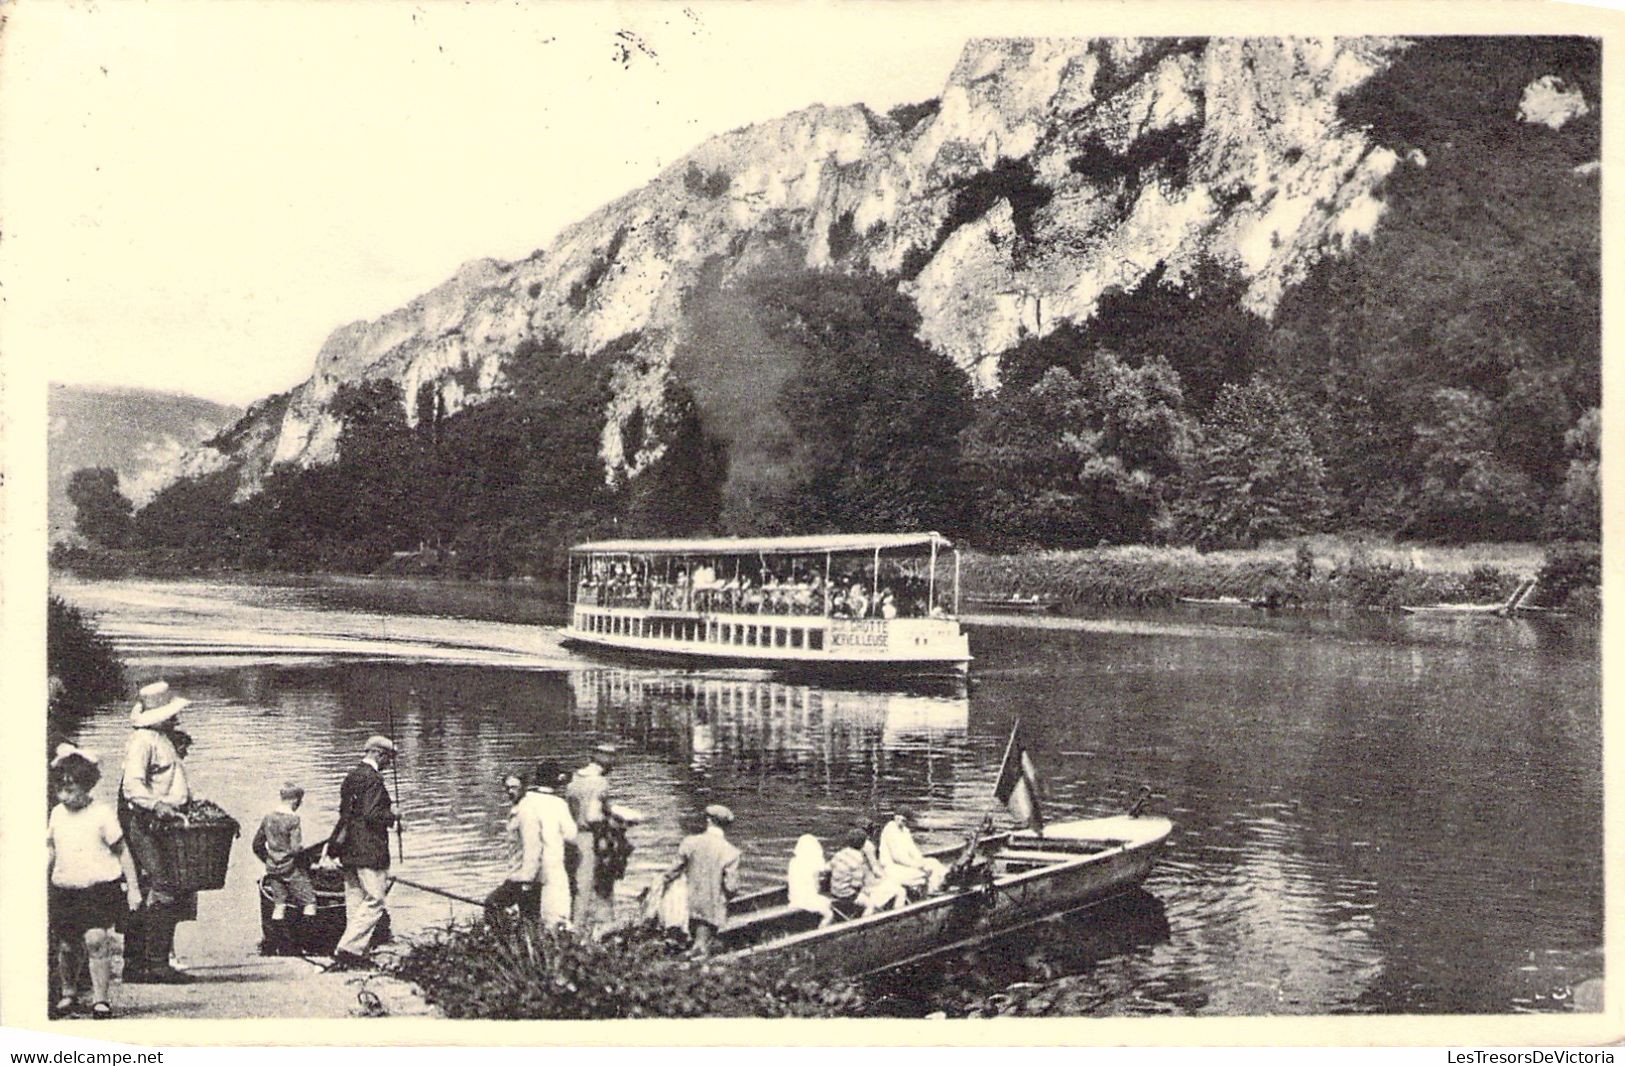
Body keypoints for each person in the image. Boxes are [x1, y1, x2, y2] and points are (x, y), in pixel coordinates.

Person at [48, 746, 142, 1019]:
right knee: (67, 945)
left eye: (71, 789)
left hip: (99, 888)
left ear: (87, 786)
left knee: (96, 939)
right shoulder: (57, 814)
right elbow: (50, 849)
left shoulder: (101, 814)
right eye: (60, 789)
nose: (64, 795)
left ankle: (100, 1000)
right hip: (65, 888)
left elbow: (122, 852)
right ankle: (68, 994)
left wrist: (133, 888)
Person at [118, 680, 197, 984]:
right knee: (163, 886)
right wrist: (157, 806)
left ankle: (138, 964)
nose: (176, 718)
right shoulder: (144, 741)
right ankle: (155, 964)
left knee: (158, 886)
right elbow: (133, 786)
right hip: (146, 820)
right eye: (171, 713)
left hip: (162, 821)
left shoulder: (160, 738)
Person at [327, 735, 399, 971]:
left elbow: (346, 813)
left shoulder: (351, 776)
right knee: (376, 899)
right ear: (379, 754)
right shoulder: (373, 779)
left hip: (348, 848)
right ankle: (349, 949)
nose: (389, 763)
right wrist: (393, 815)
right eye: (389, 758)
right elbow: (371, 815)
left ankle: (357, 953)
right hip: (370, 849)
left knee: (356, 901)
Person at [663, 804, 740, 957]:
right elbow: (731, 888)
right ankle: (700, 949)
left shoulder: (689, 842)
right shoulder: (731, 852)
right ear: (726, 826)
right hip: (711, 910)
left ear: (708, 821)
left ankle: (687, 947)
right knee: (704, 943)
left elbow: (671, 873)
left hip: (687, 905)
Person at [253, 783, 318, 935]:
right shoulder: (293, 820)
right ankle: (304, 939)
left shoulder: (268, 818)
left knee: (279, 904)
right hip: (290, 869)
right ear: (295, 800)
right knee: (310, 903)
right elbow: (295, 849)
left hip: (272, 868)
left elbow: (257, 845)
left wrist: (269, 860)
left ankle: (278, 942)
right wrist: (307, 858)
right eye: (299, 802)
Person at [565, 744, 617, 933]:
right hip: (592, 837)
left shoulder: (574, 779)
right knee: (599, 884)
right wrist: (612, 821)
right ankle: (596, 932)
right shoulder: (599, 782)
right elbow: (593, 816)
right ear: (608, 761)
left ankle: (574, 928)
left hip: (573, 837)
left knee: (577, 886)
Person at [483, 773, 542, 923]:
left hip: (525, 877)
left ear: (523, 788)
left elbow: (532, 847)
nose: (510, 791)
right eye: (508, 788)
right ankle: (525, 942)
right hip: (520, 874)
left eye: (514, 788)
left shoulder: (526, 813)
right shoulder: (518, 809)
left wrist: (527, 880)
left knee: (492, 903)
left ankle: (502, 942)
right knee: (529, 918)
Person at [879, 806, 948, 896]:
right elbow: (897, 857)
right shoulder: (890, 829)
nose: (899, 822)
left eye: (903, 820)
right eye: (898, 818)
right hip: (892, 867)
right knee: (925, 873)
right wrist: (917, 865)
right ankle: (931, 894)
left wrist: (921, 861)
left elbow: (913, 850)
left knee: (933, 862)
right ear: (894, 817)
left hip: (906, 864)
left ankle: (948, 879)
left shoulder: (905, 831)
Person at [785, 834, 833, 927]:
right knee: (829, 914)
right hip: (806, 899)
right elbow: (825, 868)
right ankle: (821, 932)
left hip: (794, 897)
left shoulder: (793, 862)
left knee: (827, 902)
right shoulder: (812, 863)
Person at [824, 828, 871, 921]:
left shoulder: (840, 854)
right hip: (846, 895)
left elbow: (827, 868)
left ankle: (854, 914)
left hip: (834, 891)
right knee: (870, 904)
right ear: (863, 844)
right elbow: (856, 884)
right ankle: (863, 925)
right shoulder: (858, 859)